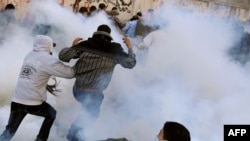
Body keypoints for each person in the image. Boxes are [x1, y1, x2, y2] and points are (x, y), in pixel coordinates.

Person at [59, 24, 136, 141]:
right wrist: (130, 47)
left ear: (96, 33)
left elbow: (63, 56)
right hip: (93, 94)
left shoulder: (85, 45)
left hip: (77, 90)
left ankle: (74, 135)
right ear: (109, 37)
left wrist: (73, 46)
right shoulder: (114, 49)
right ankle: (73, 136)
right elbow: (131, 63)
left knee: (87, 112)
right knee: (90, 116)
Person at [0, 35, 75, 141]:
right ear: (47, 46)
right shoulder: (49, 60)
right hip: (32, 103)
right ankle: (40, 139)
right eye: (51, 46)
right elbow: (70, 73)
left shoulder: (29, 55)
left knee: (9, 132)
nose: (52, 49)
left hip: (17, 100)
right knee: (51, 114)